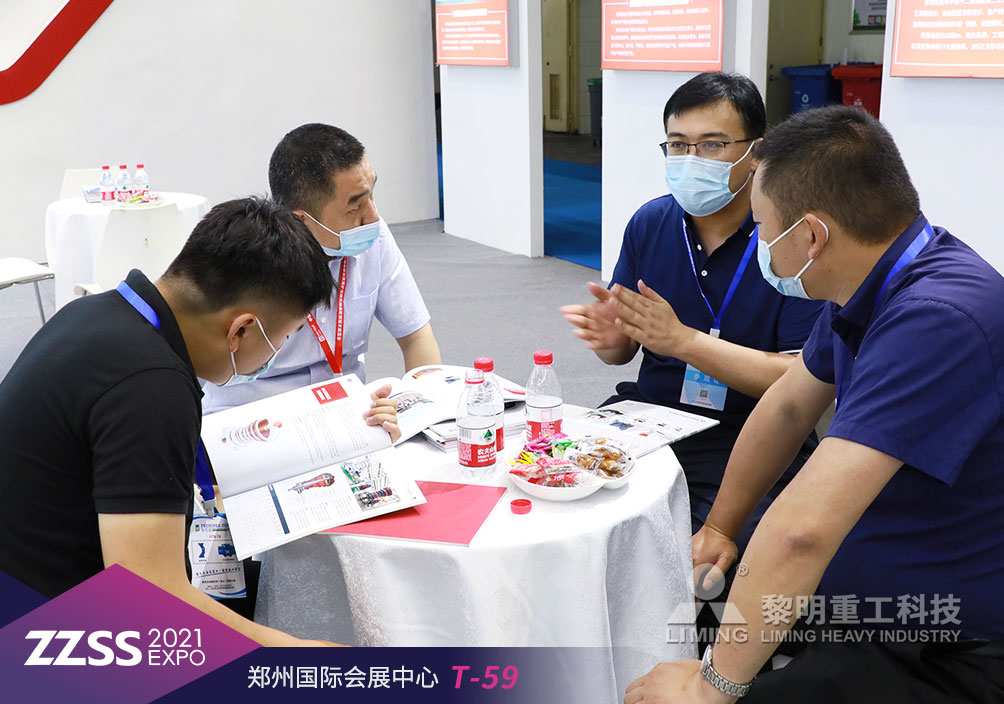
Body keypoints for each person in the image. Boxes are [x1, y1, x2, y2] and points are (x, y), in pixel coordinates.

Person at [626, 106, 1004, 703]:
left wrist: (709, 689)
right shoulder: (876, 278)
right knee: (675, 605)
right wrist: (721, 527)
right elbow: (787, 406)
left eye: (761, 227)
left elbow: (802, 532)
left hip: (940, 639)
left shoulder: (938, 320)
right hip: (864, 582)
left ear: (810, 236)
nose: (758, 244)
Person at [0, 197, 400, 646]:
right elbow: (145, 598)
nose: (275, 355)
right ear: (240, 330)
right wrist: (294, 651)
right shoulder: (152, 387)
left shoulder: (103, 315)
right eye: (284, 338)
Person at [561, 72, 823, 551]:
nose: (691, 159)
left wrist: (684, 341)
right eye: (678, 145)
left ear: (756, 152)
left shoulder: (789, 236)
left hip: (750, 432)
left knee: (719, 553)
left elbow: (798, 380)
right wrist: (614, 339)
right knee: (564, 497)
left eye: (712, 145)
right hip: (650, 417)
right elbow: (623, 352)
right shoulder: (651, 222)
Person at [202, 123, 441, 413]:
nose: (373, 218)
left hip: (346, 410)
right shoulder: (241, 258)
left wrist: (424, 411)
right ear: (301, 220)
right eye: (354, 208)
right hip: (253, 416)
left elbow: (416, 336)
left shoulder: (372, 237)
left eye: (372, 196)